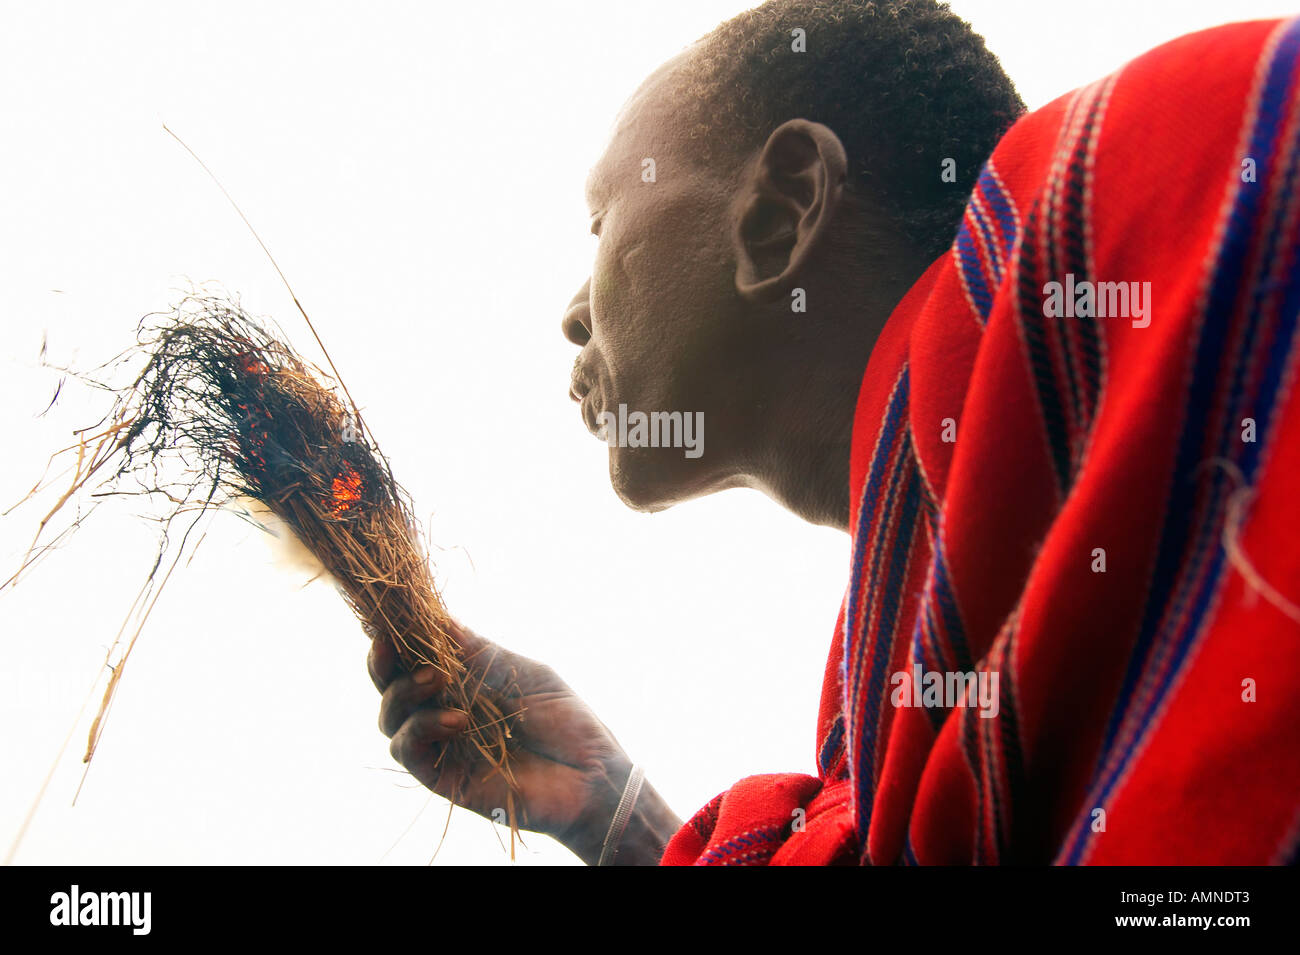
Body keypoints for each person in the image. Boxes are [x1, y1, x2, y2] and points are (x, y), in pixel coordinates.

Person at [368, 0, 1300, 864]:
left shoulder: (1165, 178)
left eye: (603, 221)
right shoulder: (890, 693)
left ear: (781, 213)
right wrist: (614, 812)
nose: (573, 314)